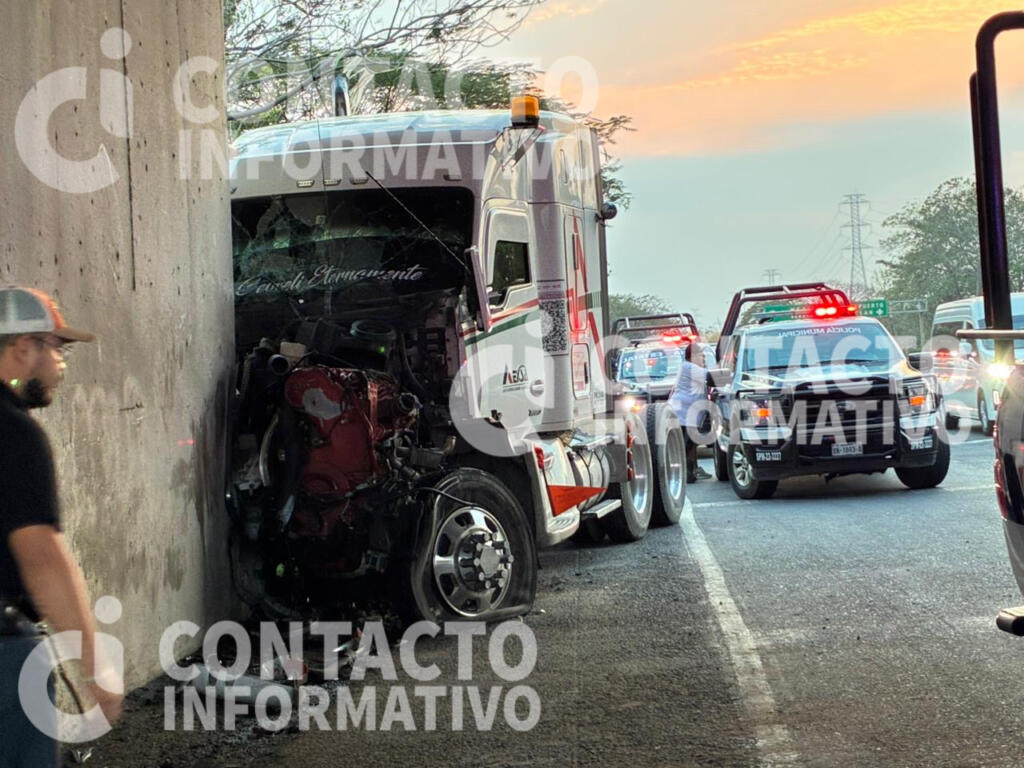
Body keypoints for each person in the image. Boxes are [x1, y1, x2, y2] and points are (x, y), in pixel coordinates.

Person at [0, 286, 122, 766]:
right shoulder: (15, 433)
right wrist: (95, 668)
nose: (61, 363)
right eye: (56, 347)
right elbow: (42, 558)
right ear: (23, 348)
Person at [669, 341, 713, 483]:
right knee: (685, 446)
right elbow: (711, 377)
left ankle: (693, 470)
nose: (704, 358)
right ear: (692, 356)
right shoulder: (688, 367)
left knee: (692, 443)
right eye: (701, 355)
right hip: (682, 414)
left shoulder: (691, 368)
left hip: (689, 415)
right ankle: (684, 472)